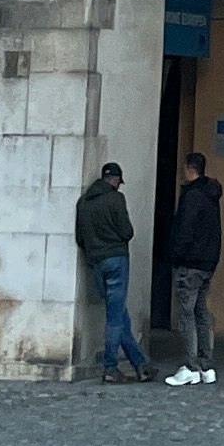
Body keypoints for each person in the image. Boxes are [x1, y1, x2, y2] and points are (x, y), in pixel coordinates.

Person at [74, 159, 147, 381]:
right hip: (116, 259)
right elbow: (127, 231)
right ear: (115, 180)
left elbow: (80, 237)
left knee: (118, 314)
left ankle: (140, 364)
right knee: (115, 318)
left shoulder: (84, 202)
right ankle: (110, 366)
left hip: (96, 262)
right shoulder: (116, 199)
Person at [165, 150, 222, 386]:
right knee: (201, 312)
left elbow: (184, 230)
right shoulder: (211, 195)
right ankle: (206, 365)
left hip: (190, 263)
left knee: (187, 314)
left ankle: (190, 366)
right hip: (207, 263)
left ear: (190, 169)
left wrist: (175, 256)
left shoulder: (192, 196)